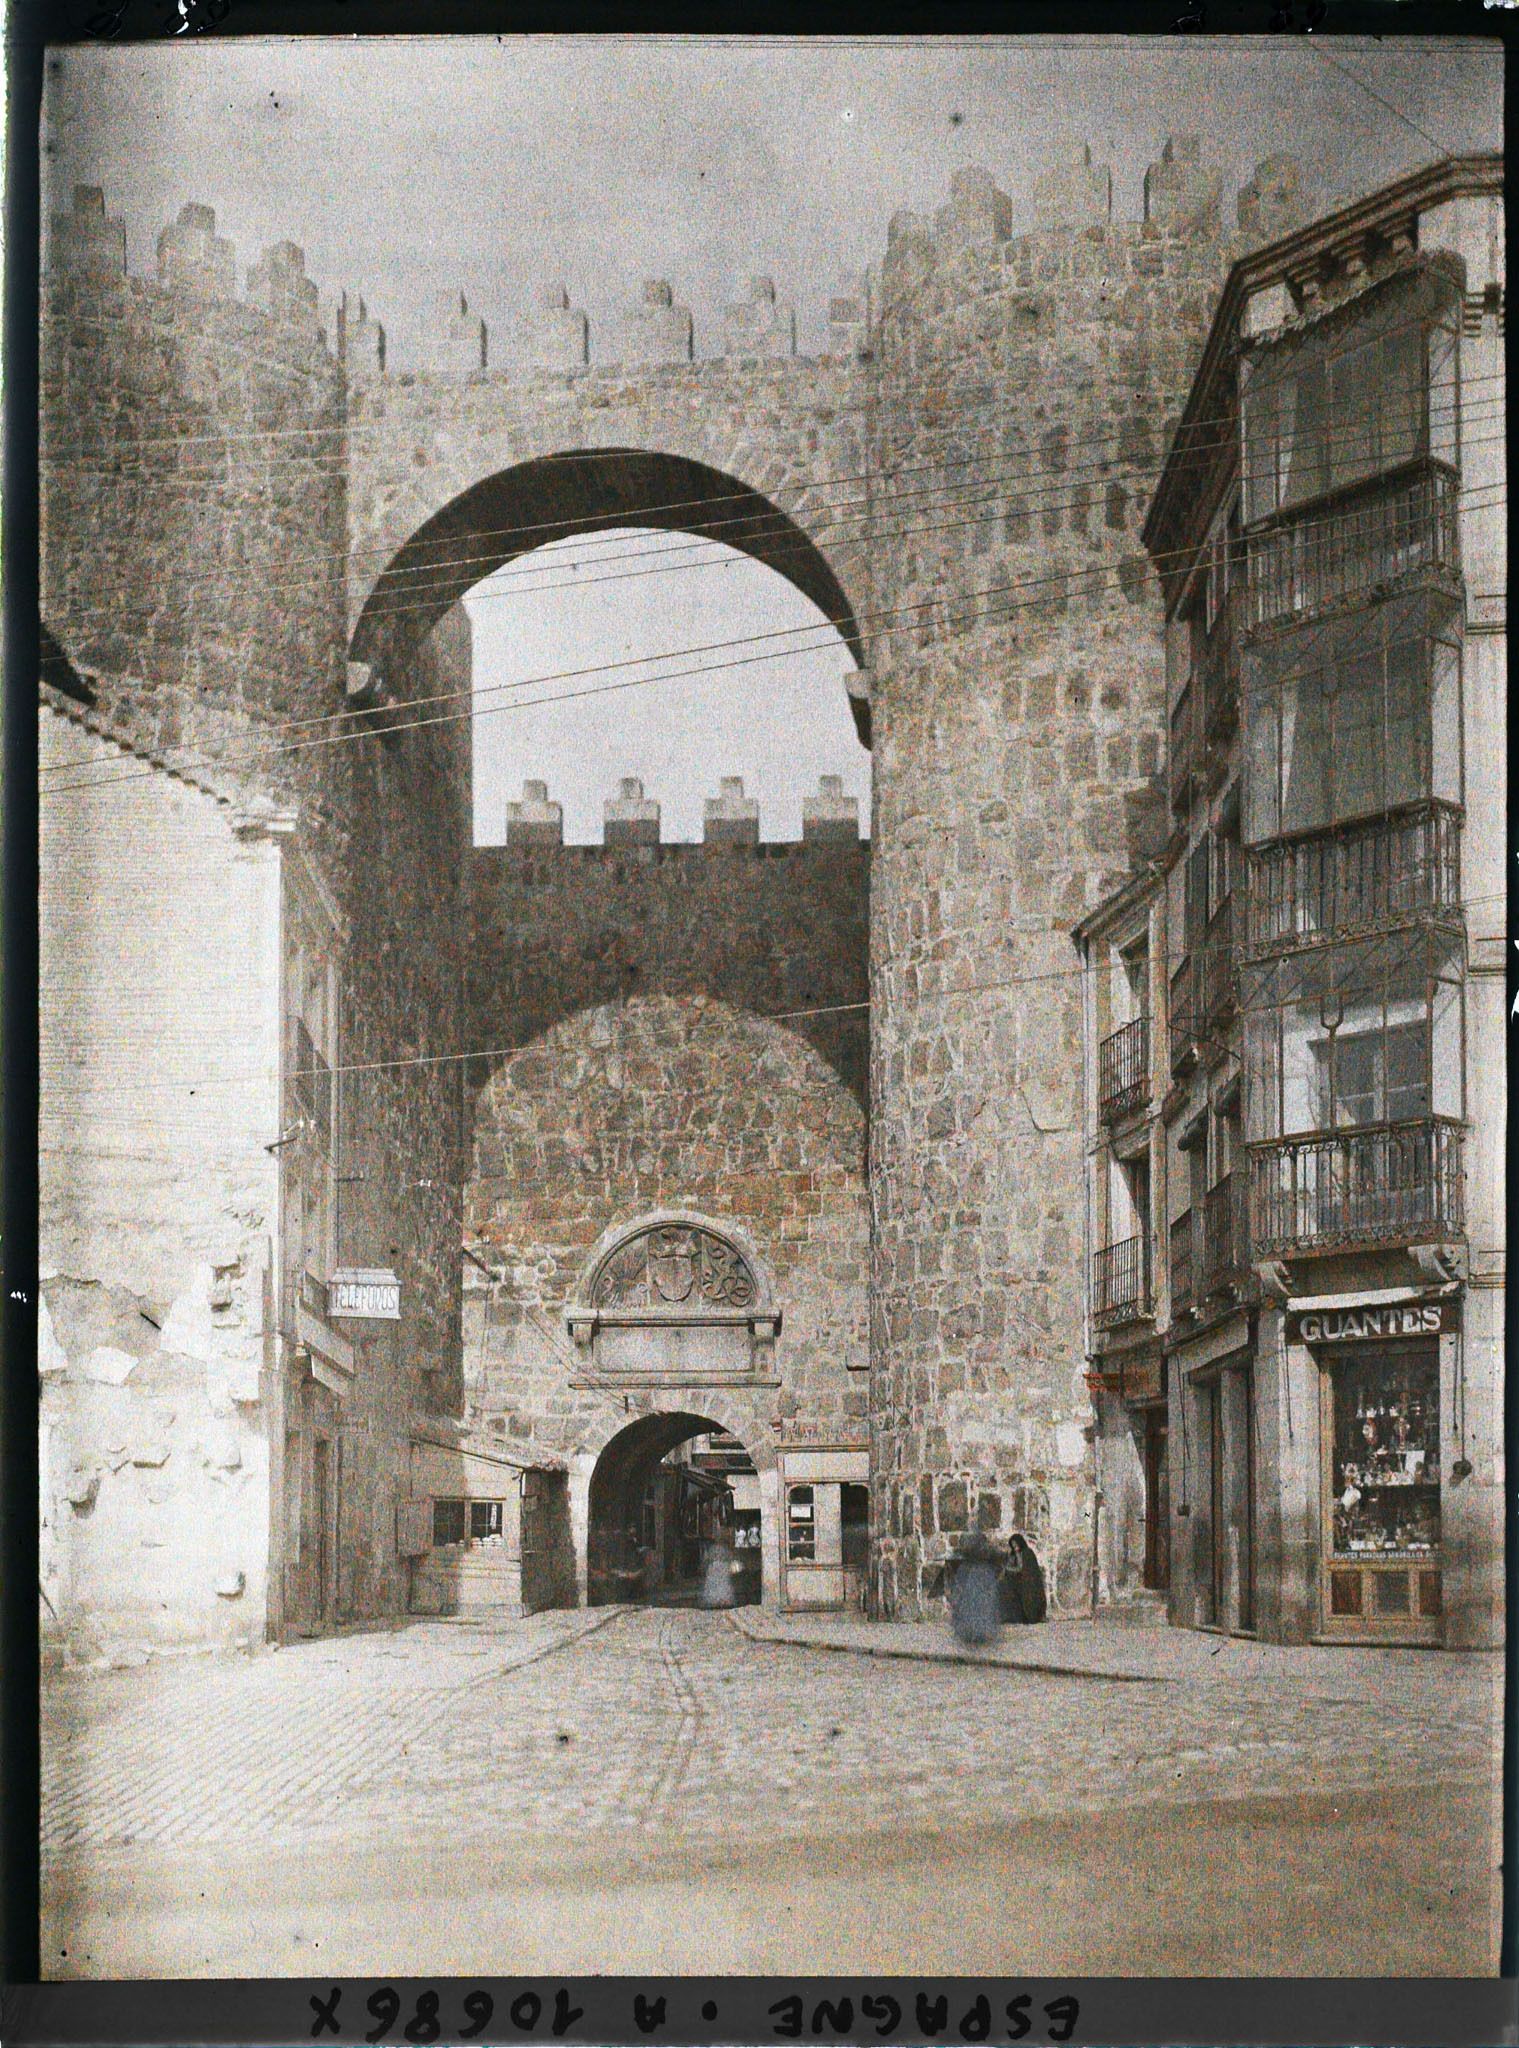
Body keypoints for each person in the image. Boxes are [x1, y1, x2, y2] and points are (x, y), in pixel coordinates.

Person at [946, 1530, 1003, 1646]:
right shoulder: (984, 1560)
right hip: (981, 1576)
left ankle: (973, 1632)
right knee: (979, 1605)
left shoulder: (965, 1563)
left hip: (975, 1576)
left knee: (973, 1604)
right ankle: (977, 1632)